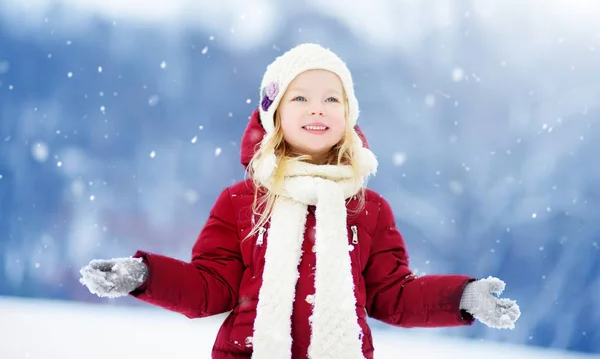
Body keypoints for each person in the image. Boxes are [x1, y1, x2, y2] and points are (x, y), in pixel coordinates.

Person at [79, 43, 520, 359]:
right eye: (301, 98)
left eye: (332, 99)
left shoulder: (369, 208)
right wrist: (144, 274)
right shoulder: (241, 202)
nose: (317, 109)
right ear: (276, 115)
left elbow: (393, 295)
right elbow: (211, 288)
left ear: (347, 116)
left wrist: (462, 297)